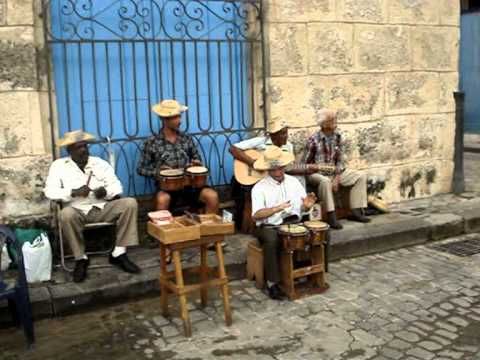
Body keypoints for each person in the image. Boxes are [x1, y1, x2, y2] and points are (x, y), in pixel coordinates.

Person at [44, 130, 141, 283]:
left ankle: (118, 253)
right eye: (78, 147)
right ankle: (80, 258)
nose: (83, 150)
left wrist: (106, 192)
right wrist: (73, 192)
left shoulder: (99, 164)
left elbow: (117, 187)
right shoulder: (59, 166)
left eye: (85, 146)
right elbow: (49, 191)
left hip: (102, 208)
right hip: (77, 211)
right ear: (69, 150)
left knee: (130, 203)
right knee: (65, 214)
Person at [251, 146, 317, 300]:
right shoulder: (259, 188)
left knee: (318, 232)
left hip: (293, 221)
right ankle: (272, 283)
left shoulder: (294, 182)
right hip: (269, 225)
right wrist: (275, 209)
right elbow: (257, 215)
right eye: (274, 169)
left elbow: (302, 207)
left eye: (280, 168)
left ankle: (309, 272)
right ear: (268, 169)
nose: (278, 172)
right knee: (272, 240)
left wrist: (306, 206)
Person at [229, 120, 318, 229]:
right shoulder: (260, 141)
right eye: (283, 133)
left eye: (286, 133)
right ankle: (261, 224)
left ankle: (298, 212)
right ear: (273, 135)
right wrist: (254, 164)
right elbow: (233, 148)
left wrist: (309, 168)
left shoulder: (288, 146)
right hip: (256, 177)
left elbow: (288, 166)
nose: (286, 136)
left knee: (299, 178)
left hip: (276, 176)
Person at [137, 99, 219, 214]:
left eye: (179, 116)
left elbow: (198, 159)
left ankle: (210, 229)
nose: (179, 121)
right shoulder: (151, 142)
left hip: (191, 185)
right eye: (175, 117)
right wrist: (158, 172)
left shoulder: (186, 139)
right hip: (167, 187)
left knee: (212, 196)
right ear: (164, 119)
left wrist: (196, 164)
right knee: (162, 200)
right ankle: (164, 230)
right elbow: (141, 169)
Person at [304, 109, 370, 230]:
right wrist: (322, 172)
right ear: (324, 124)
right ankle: (331, 215)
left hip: (334, 172)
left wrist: (337, 177)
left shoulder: (338, 137)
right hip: (316, 173)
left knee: (360, 175)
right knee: (325, 181)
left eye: (335, 119)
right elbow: (307, 164)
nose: (336, 122)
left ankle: (355, 211)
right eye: (332, 120)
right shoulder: (313, 140)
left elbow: (340, 161)